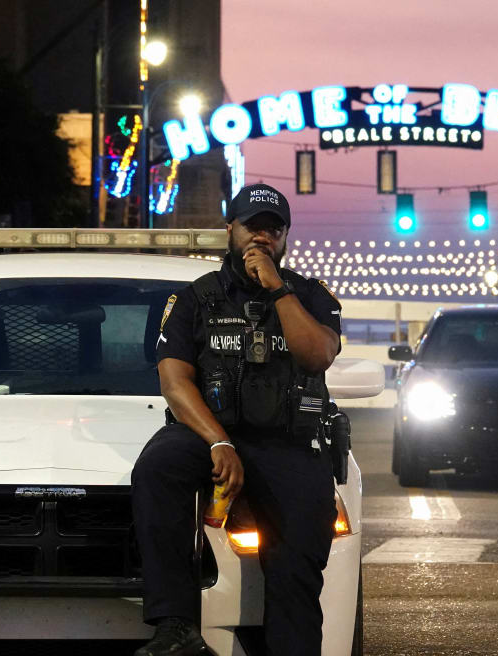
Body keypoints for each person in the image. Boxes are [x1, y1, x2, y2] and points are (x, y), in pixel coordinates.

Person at [131, 183, 343, 656]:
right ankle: (175, 626)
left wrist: (277, 287)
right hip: (212, 436)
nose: (262, 237)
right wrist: (218, 443)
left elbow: (315, 356)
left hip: (288, 444)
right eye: (253, 227)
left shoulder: (311, 297)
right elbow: (174, 381)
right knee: (157, 465)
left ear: (286, 238)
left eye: (274, 229)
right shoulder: (195, 299)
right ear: (230, 228)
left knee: (297, 562)